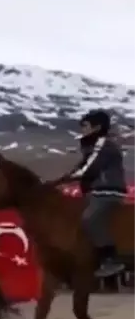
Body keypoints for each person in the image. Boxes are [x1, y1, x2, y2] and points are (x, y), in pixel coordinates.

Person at [49, 109, 128, 278]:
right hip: (95, 191)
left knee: (89, 219)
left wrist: (61, 181)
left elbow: (88, 169)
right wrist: (60, 180)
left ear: (97, 127)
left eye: (85, 125)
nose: (82, 129)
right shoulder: (91, 146)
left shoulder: (103, 144)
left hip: (107, 190)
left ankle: (111, 259)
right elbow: (80, 167)